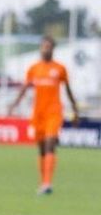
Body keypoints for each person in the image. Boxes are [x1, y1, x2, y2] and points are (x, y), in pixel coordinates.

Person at [7, 35, 80, 195]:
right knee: (41, 149)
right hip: (38, 114)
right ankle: (43, 182)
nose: (45, 49)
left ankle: (47, 184)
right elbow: (25, 88)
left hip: (54, 112)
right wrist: (14, 104)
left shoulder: (60, 68)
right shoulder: (34, 68)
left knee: (50, 144)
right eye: (43, 46)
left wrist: (75, 110)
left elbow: (68, 91)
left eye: (48, 47)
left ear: (53, 49)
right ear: (40, 48)